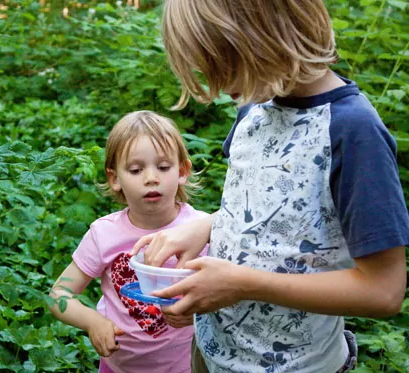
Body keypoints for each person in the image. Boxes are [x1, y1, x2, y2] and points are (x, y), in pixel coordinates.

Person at [131, 1, 409, 372]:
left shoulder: (351, 131)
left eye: (220, 65)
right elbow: (272, 205)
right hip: (212, 353)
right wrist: (206, 225)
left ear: (262, 34)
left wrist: (244, 284)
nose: (216, 86)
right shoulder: (254, 108)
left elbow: (384, 291)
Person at [49, 111, 209, 373]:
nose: (151, 177)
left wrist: (200, 313)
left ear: (182, 171)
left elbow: (230, 297)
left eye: (163, 167)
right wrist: (93, 322)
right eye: (135, 169)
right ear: (115, 179)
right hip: (117, 368)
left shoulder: (201, 230)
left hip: (186, 367)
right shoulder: (104, 234)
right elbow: (58, 295)